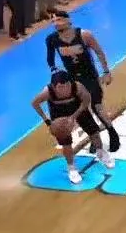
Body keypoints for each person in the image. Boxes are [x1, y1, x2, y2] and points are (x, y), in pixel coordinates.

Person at [45, 12, 119, 151]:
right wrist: (55, 71)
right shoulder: (51, 39)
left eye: (59, 19)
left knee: (97, 107)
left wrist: (106, 72)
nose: (56, 23)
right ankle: (94, 137)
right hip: (73, 80)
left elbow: (99, 52)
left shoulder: (84, 35)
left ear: (68, 20)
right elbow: (50, 59)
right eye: (53, 21)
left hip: (90, 77)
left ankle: (112, 133)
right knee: (82, 112)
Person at [31, 70, 114, 184]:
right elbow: (35, 103)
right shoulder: (47, 92)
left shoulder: (78, 87)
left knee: (94, 132)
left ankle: (100, 152)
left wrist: (73, 117)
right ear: (54, 87)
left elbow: (86, 100)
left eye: (67, 85)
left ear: (70, 83)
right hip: (58, 114)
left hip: (78, 109)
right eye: (60, 87)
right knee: (66, 143)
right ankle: (72, 168)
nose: (64, 88)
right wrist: (47, 121)